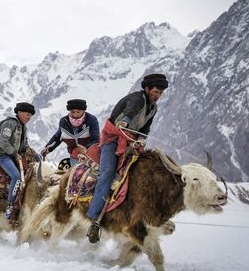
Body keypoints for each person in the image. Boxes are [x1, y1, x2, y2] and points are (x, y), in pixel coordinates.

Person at [86, 73, 169, 243]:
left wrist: (141, 139)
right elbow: (130, 111)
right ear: (146, 88)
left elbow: (145, 128)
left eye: (160, 93)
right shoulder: (137, 98)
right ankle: (94, 218)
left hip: (131, 141)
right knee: (107, 173)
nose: (157, 95)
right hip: (113, 140)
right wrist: (124, 121)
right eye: (155, 91)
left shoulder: (153, 108)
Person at [0, 102, 39, 219]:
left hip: (14, 155)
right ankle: (10, 204)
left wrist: (33, 153)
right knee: (16, 176)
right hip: (3, 156)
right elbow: (3, 142)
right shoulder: (9, 124)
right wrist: (15, 153)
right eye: (27, 114)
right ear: (19, 113)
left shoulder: (23, 127)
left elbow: (24, 145)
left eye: (30, 116)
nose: (29, 118)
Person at [41, 99, 100, 166]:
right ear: (69, 111)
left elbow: (96, 139)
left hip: (90, 156)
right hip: (74, 156)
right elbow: (58, 137)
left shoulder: (91, 120)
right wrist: (48, 148)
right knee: (75, 174)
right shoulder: (64, 122)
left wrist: (86, 148)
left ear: (83, 111)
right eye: (72, 112)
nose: (75, 115)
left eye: (78, 112)